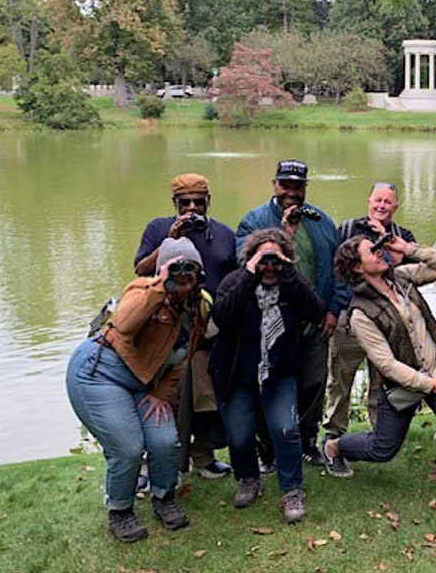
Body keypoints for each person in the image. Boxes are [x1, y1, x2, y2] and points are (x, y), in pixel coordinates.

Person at [65, 238, 205, 542]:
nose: (183, 276)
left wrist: (161, 393)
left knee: (166, 440)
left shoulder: (198, 307)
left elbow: (184, 357)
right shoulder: (141, 290)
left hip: (143, 384)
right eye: (176, 268)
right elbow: (125, 325)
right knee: (127, 447)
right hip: (98, 373)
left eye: (189, 269)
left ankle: (164, 498)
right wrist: (160, 285)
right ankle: (120, 511)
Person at [324, 235, 436, 511]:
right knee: (383, 449)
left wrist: (407, 249)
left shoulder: (402, 277)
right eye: (372, 251)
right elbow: (388, 365)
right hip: (402, 384)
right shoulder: (360, 314)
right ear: (357, 267)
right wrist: (435, 385)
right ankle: (335, 447)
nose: (380, 252)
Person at [236, 160, 349, 468]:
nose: (291, 192)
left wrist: (334, 310)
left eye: (297, 186)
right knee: (269, 383)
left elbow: (340, 271)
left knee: (313, 382)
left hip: (315, 321)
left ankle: (308, 440)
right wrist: (284, 232)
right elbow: (243, 267)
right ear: (274, 184)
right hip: (270, 322)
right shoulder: (254, 221)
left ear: (305, 188)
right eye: (285, 185)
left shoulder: (322, 222)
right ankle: (267, 447)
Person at [209, 229, 327, 522]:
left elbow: (316, 311)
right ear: (250, 260)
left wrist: (291, 273)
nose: (270, 267)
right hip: (237, 375)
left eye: (276, 260)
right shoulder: (235, 282)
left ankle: (292, 490)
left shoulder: (290, 286)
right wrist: (250, 275)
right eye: (264, 260)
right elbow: (222, 317)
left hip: (279, 373)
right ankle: (248, 478)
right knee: (239, 436)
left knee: (286, 429)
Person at [133, 173, 236, 480]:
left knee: (208, 400)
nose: (192, 208)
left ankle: (203, 457)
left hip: (209, 331)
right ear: (174, 203)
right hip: (167, 332)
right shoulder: (157, 228)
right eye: (185, 202)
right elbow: (139, 270)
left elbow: (234, 278)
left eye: (198, 202)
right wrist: (170, 238)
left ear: (209, 202)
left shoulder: (224, 234)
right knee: (165, 400)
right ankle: (152, 464)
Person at [323, 182, 415, 474]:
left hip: (385, 326)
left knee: (381, 381)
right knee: (340, 379)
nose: (382, 206)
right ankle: (333, 434)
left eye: (388, 202)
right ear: (368, 200)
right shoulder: (348, 230)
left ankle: (378, 435)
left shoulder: (402, 237)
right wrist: (337, 311)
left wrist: (387, 244)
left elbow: (408, 277)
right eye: (378, 200)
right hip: (350, 320)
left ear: (396, 206)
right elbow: (335, 273)